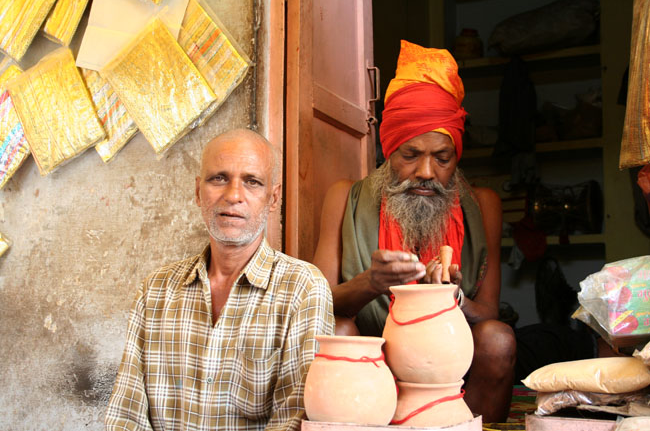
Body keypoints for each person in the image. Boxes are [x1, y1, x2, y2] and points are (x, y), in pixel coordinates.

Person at [312, 40, 516, 423]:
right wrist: (372, 282)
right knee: (340, 329)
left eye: (442, 158)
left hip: (451, 364)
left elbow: (488, 312)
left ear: (457, 154)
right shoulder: (344, 198)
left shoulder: (483, 204)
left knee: (498, 338)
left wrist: (451, 300)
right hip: (376, 359)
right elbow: (317, 308)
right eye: (410, 155)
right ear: (389, 150)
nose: (426, 172)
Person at [105, 128, 334, 430]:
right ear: (199, 192)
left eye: (252, 182)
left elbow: (295, 417)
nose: (233, 196)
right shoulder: (156, 291)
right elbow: (126, 415)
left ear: (273, 198)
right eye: (219, 179)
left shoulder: (302, 288)